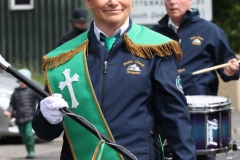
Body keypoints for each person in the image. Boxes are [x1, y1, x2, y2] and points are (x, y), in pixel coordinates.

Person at [32, 0, 197, 160]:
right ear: (89, 2)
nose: (113, 2)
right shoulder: (65, 57)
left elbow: (175, 119)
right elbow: (45, 134)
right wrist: (47, 118)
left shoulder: (155, 49)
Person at [151, 0, 240, 160]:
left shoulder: (211, 31)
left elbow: (228, 67)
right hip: (163, 110)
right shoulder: (155, 34)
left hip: (199, 116)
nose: (172, 2)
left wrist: (230, 69)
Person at [4, 68, 42, 159]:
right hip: (19, 118)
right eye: (20, 81)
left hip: (29, 117)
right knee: (24, 137)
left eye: (24, 81)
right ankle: (28, 150)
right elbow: (12, 104)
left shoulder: (32, 90)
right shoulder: (16, 92)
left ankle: (32, 151)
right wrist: (9, 111)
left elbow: (41, 98)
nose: (22, 83)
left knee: (29, 134)